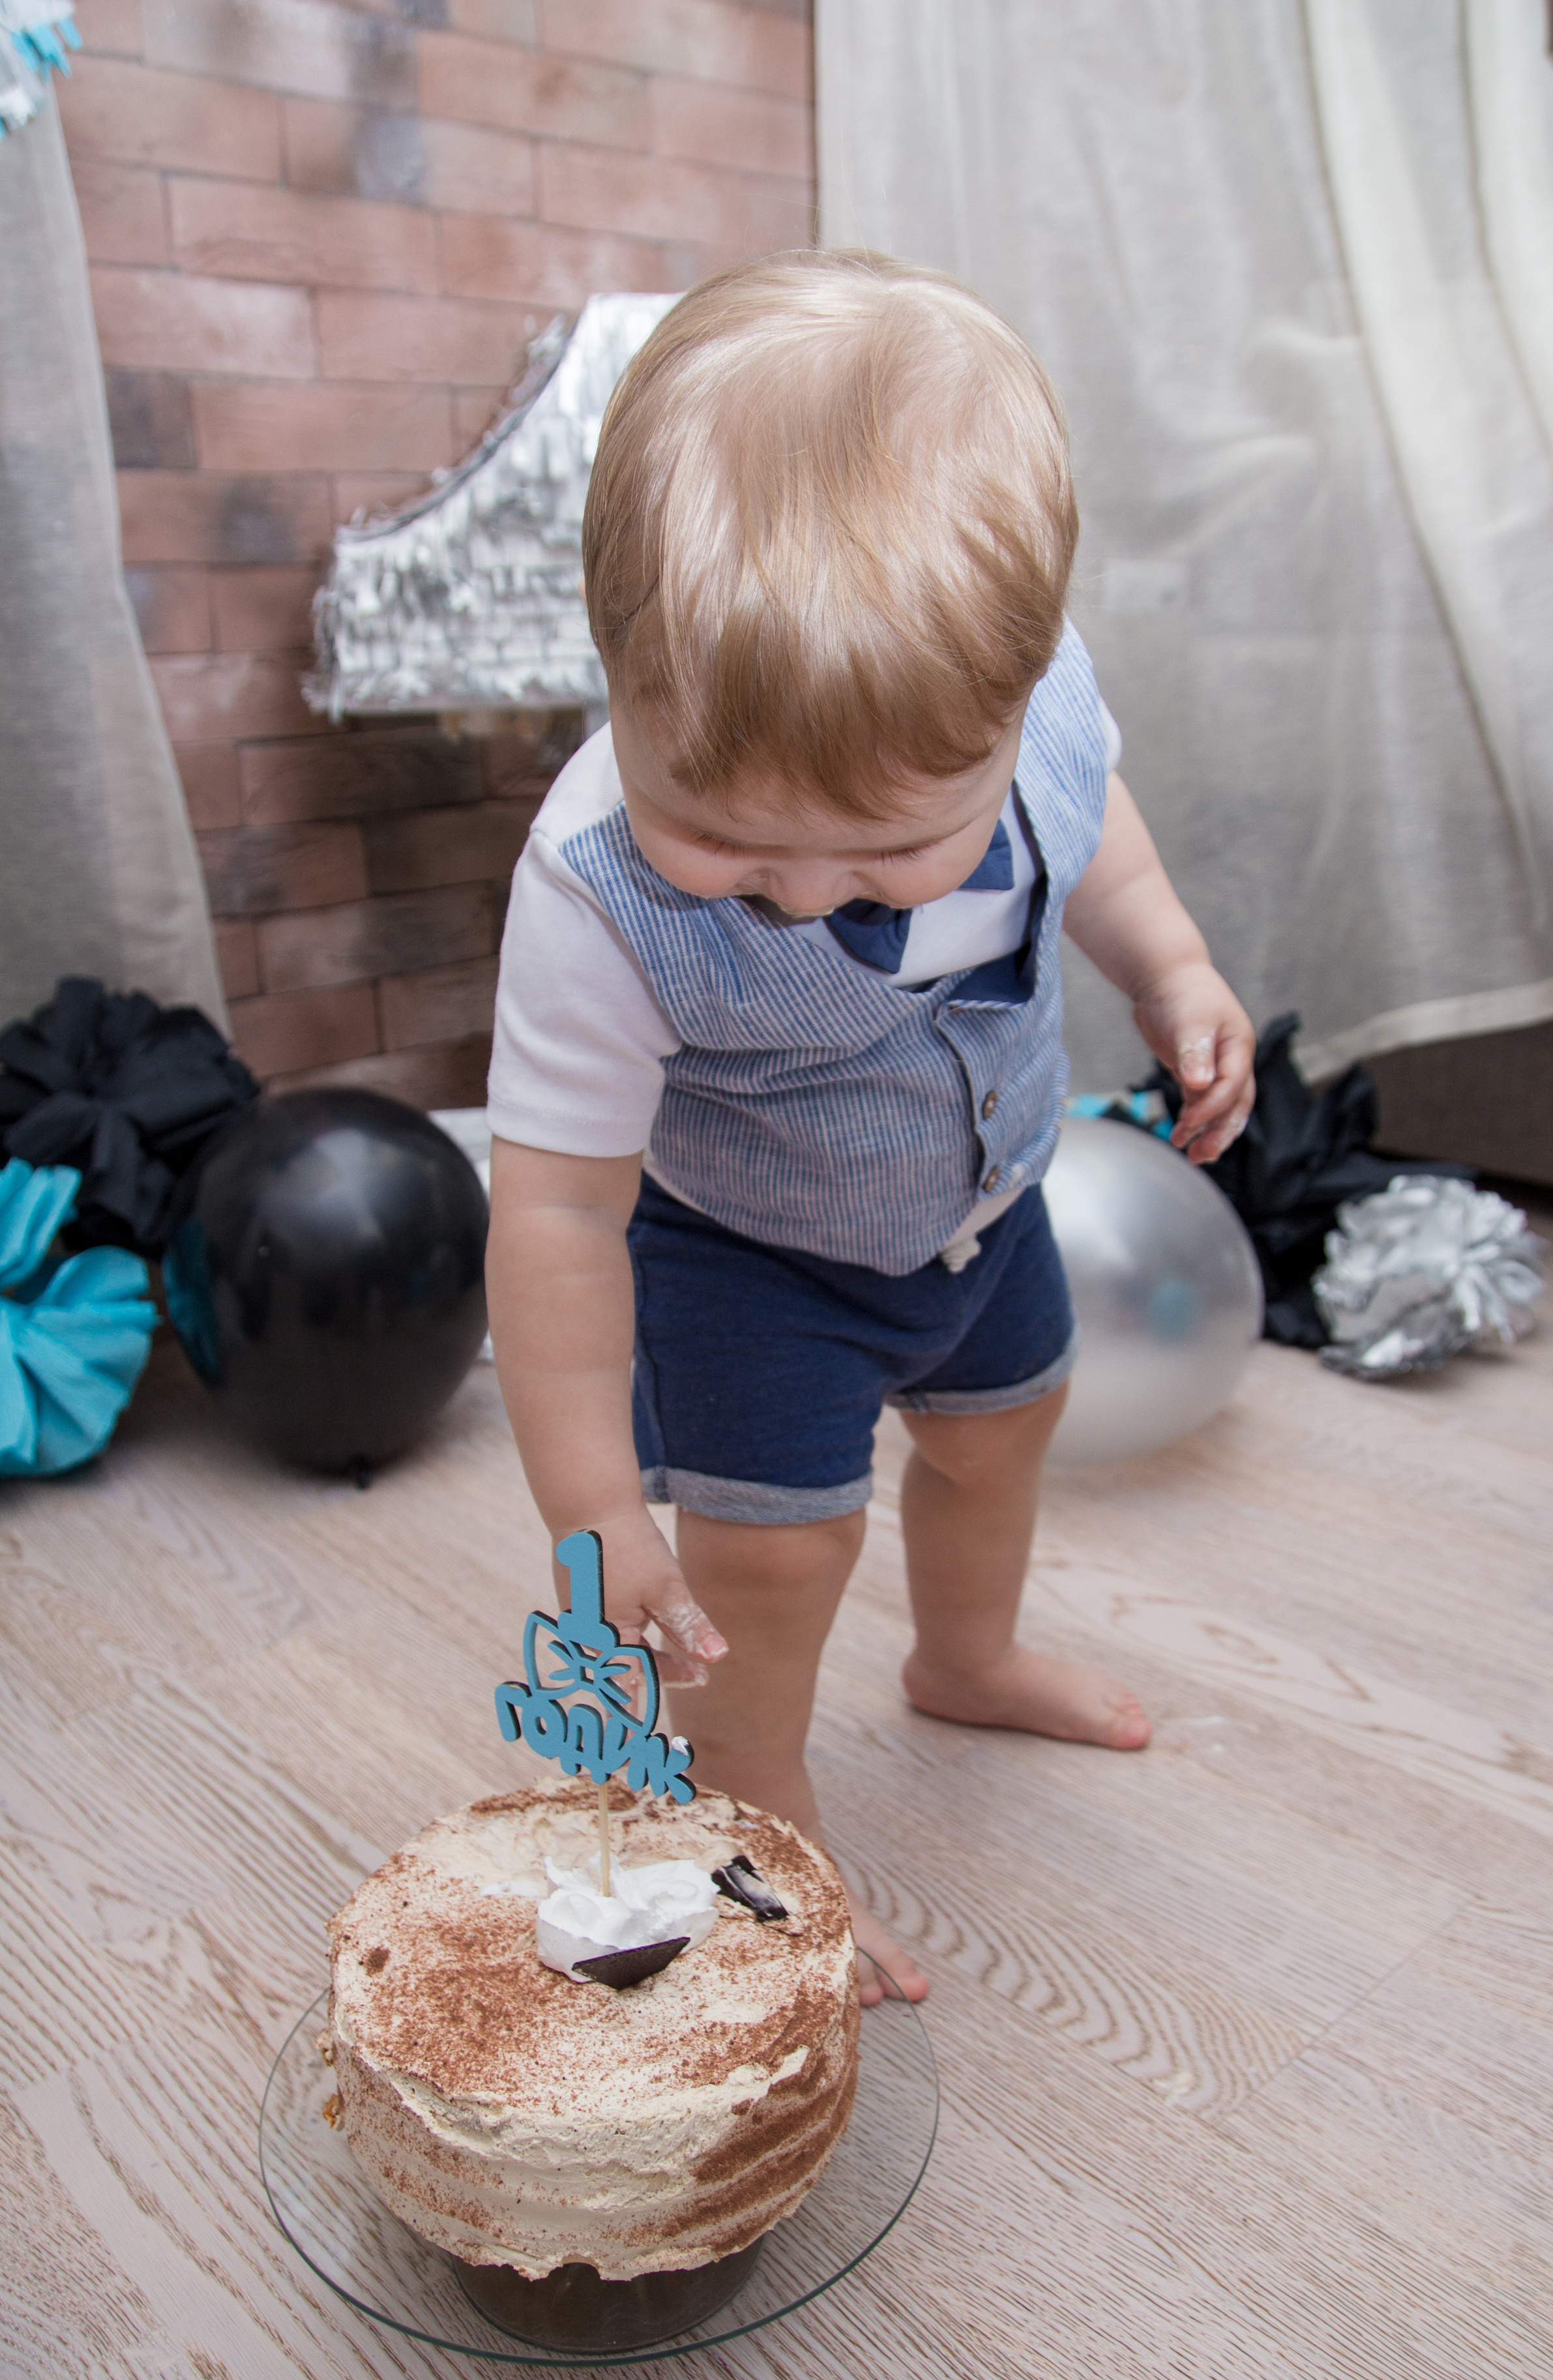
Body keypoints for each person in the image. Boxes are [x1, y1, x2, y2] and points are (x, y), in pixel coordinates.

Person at [486, 250, 1254, 2005]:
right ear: (617, 681)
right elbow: (548, 1218)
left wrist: (1175, 961)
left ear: (1013, 702)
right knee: (774, 1554)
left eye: (884, 850)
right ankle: (758, 1795)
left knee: (1004, 1435)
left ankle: (965, 1656)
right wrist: (593, 1505)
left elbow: (1102, 836)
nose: (803, 894)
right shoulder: (595, 897)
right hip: (748, 1258)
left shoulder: (1040, 704)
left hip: (987, 1211)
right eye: (732, 845)